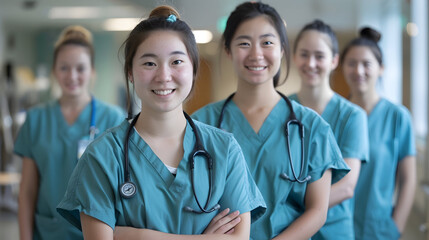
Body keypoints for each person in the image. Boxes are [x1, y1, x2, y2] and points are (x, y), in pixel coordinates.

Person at [56, 5, 266, 240]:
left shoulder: (225, 150)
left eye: (176, 62)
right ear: (130, 73)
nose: (163, 76)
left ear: (193, 69)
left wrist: (127, 235)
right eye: (149, 63)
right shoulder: (104, 155)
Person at [192, 2, 350, 239]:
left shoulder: (311, 127)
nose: (256, 54)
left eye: (267, 43)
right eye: (244, 43)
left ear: (282, 50)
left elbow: (317, 211)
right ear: (228, 50)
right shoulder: (201, 124)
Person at [14, 25, 125, 240]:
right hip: (47, 232)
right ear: (54, 70)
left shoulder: (113, 118)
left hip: (98, 232)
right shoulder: (36, 119)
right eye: (64, 67)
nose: (72, 76)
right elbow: (27, 193)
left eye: (80, 68)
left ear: (92, 71)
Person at [288, 20, 369, 239]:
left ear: (334, 60)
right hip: (284, 229)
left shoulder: (352, 116)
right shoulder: (280, 110)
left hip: (332, 231)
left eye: (319, 56)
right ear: (294, 57)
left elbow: (346, 187)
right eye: (304, 54)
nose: (311, 63)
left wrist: (291, 209)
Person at [341, 27, 416, 240]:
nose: (359, 70)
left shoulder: (397, 116)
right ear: (342, 67)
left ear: (381, 68)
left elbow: (408, 179)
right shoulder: (336, 115)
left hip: (379, 229)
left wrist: (396, 227)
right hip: (336, 227)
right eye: (352, 63)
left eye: (366, 64)